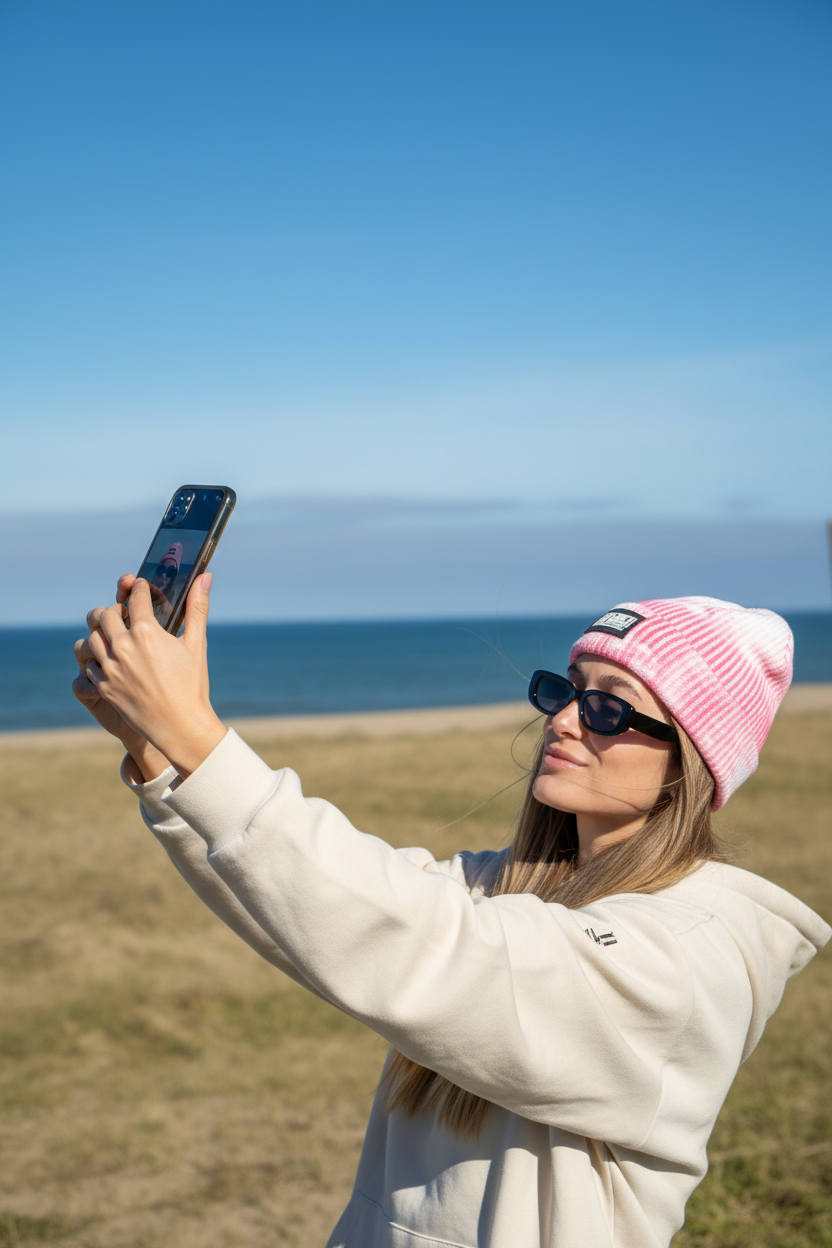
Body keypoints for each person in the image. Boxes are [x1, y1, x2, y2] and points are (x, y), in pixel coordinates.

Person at [72, 577, 830, 1248]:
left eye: (608, 709)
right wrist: (157, 753)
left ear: (689, 760)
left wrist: (197, 739)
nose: (564, 721)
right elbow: (304, 905)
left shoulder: (694, 952)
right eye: (567, 691)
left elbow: (426, 948)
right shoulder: (502, 889)